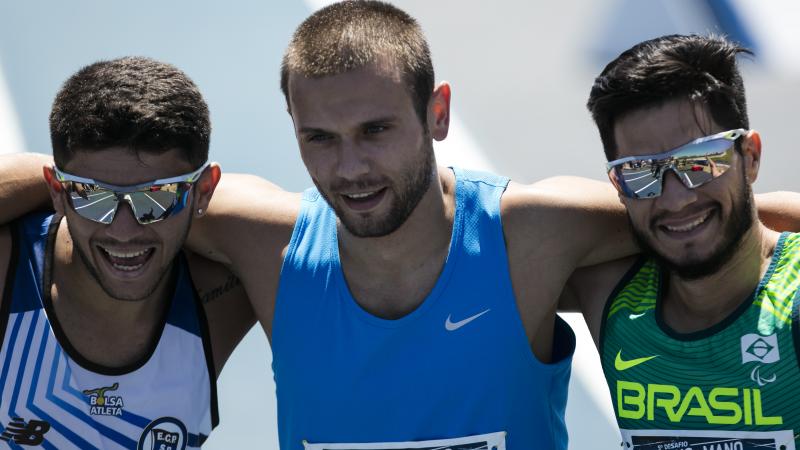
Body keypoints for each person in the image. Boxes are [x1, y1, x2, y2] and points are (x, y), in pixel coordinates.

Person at [2, 4, 797, 450]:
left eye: (377, 130)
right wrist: (61, 175)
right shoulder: (263, 241)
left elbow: (692, 205)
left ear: (437, 112)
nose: (350, 169)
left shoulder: (536, 234)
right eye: (320, 138)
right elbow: (118, 185)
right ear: (293, 129)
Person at [560, 34, 800, 450]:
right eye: (640, 173)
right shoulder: (606, 291)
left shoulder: (791, 301)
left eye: (700, 162)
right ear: (616, 184)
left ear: (751, 156)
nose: (677, 199)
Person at [0, 57, 254, 449]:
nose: (124, 231)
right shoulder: (7, 271)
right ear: (55, 188)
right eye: (92, 197)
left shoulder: (233, 288)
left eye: (156, 198)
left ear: (203, 190)